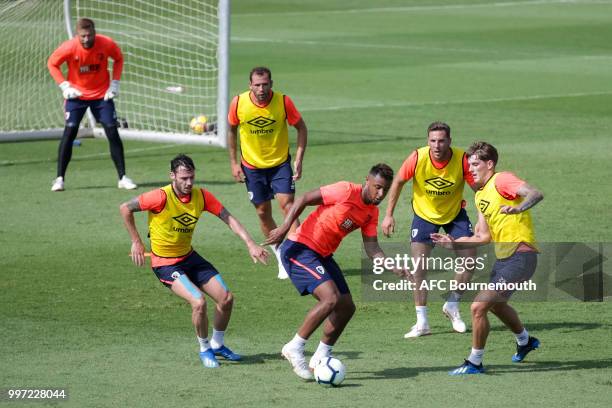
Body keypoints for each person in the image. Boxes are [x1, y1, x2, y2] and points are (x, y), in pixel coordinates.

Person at [119, 154, 268, 368]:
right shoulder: (160, 197)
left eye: (191, 177)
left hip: (189, 257)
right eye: (183, 178)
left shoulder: (202, 196)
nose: (188, 183)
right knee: (198, 302)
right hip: (165, 263)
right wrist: (136, 241)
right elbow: (125, 208)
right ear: (172, 176)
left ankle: (218, 345)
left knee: (226, 298)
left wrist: (250, 243)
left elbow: (228, 218)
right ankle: (205, 348)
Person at [264, 164, 395, 380]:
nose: (380, 194)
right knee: (330, 298)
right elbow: (304, 198)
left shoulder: (372, 212)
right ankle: (295, 347)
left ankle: (320, 356)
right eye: (377, 188)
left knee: (346, 307)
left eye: (385, 190)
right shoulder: (345, 190)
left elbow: (372, 248)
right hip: (300, 249)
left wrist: (392, 265)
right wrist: (284, 228)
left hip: (322, 255)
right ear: (367, 181)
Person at [431, 141, 543, 375]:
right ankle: (525, 341)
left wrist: (520, 208)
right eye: (469, 165)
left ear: (489, 164)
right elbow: (482, 236)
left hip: (521, 255)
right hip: (504, 259)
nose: (470, 169)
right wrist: (453, 243)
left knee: (478, 307)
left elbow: (535, 193)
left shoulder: (502, 180)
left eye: (475, 164)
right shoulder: (480, 195)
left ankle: (474, 362)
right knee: (497, 306)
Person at [382, 122, 477, 337]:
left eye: (441, 140)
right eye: (433, 140)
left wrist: (484, 218)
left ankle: (452, 305)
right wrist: (388, 215)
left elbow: (480, 189)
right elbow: (397, 182)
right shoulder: (417, 157)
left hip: (454, 214)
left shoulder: (462, 160)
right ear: (428, 141)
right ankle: (422, 322)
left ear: (449, 141)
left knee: (469, 259)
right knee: (419, 268)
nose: (437, 145)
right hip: (424, 215)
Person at [228, 66, 307, 279]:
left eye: (265, 84)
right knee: (263, 212)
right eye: (257, 85)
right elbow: (231, 130)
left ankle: (297, 258)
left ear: (271, 84)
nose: (261, 89)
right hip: (252, 168)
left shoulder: (283, 102)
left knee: (288, 206)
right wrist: (234, 163)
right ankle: (281, 256)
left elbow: (301, 128)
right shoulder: (238, 103)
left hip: (280, 164)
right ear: (250, 85)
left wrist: (299, 159)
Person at [48, 18, 136, 192]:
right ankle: (59, 179)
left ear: (95, 32)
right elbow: (52, 63)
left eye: (89, 35)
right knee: (70, 130)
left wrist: (115, 83)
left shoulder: (106, 43)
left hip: (101, 95)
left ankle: (122, 177)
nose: (86, 39)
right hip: (76, 95)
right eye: (83, 36)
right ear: (77, 35)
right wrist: (64, 86)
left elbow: (118, 58)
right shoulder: (69, 47)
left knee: (112, 130)